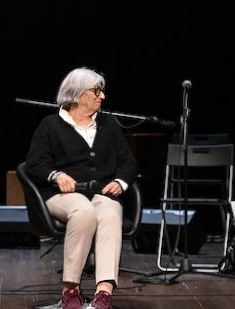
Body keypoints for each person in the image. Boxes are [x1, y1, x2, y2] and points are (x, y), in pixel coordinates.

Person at [25, 68, 137, 309]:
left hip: (100, 193)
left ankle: (103, 294)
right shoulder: (50, 125)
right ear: (77, 93)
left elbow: (128, 162)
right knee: (83, 211)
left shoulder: (108, 124)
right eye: (97, 91)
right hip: (61, 196)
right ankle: (71, 291)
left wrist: (120, 182)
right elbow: (33, 164)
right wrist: (56, 175)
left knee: (109, 213)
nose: (102, 96)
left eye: (102, 91)